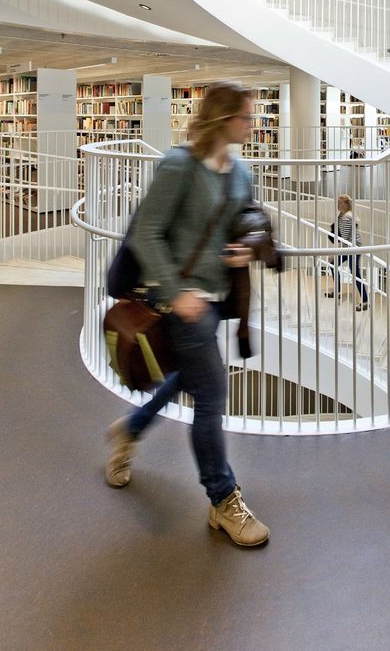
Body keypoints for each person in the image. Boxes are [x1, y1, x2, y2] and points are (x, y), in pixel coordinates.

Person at [104, 82, 271, 547]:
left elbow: (250, 215)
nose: (253, 124)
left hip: (216, 299)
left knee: (188, 378)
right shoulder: (179, 165)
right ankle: (223, 498)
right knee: (212, 395)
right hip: (182, 303)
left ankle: (129, 429)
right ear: (223, 120)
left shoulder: (240, 170)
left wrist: (248, 243)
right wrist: (176, 293)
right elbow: (148, 233)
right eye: (246, 117)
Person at [326, 194, 368, 310]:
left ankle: (365, 301)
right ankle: (337, 291)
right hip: (348, 247)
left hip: (353, 248)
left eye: (340, 203)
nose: (338, 205)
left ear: (346, 204)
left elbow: (344, 239)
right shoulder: (342, 215)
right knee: (333, 264)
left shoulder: (346, 217)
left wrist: (333, 253)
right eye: (337, 203)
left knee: (355, 274)